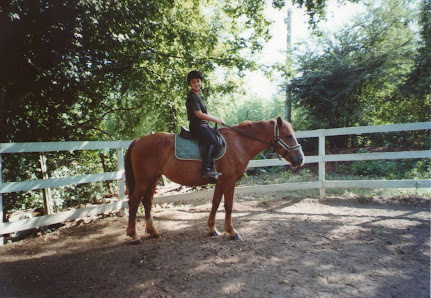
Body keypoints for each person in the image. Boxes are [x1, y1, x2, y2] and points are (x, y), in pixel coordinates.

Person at [186, 70, 225, 179]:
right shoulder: (191, 97)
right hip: (197, 125)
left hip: (204, 125)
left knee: (217, 138)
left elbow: (206, 114)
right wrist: (216, 120)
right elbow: (199, 114)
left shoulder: (201, 97)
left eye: (198, 81)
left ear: (201, 82)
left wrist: (217, 120)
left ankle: (214, 168)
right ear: (190, 84)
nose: (196, 84)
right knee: (212, 140)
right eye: (193, 82)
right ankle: (206, 169)